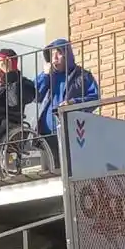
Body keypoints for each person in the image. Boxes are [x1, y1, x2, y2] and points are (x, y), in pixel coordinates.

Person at [34, 39, 99, 168]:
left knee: (68, 172)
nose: (54, 58)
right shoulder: (48, 75)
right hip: (46, 136)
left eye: (58, 53)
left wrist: (73, 103)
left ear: (67, 54)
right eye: (51, 54)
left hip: (70, 134)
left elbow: (95, 98)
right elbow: (35, 96)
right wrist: (45, 75)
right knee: (48, 177)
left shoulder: (83, 76)